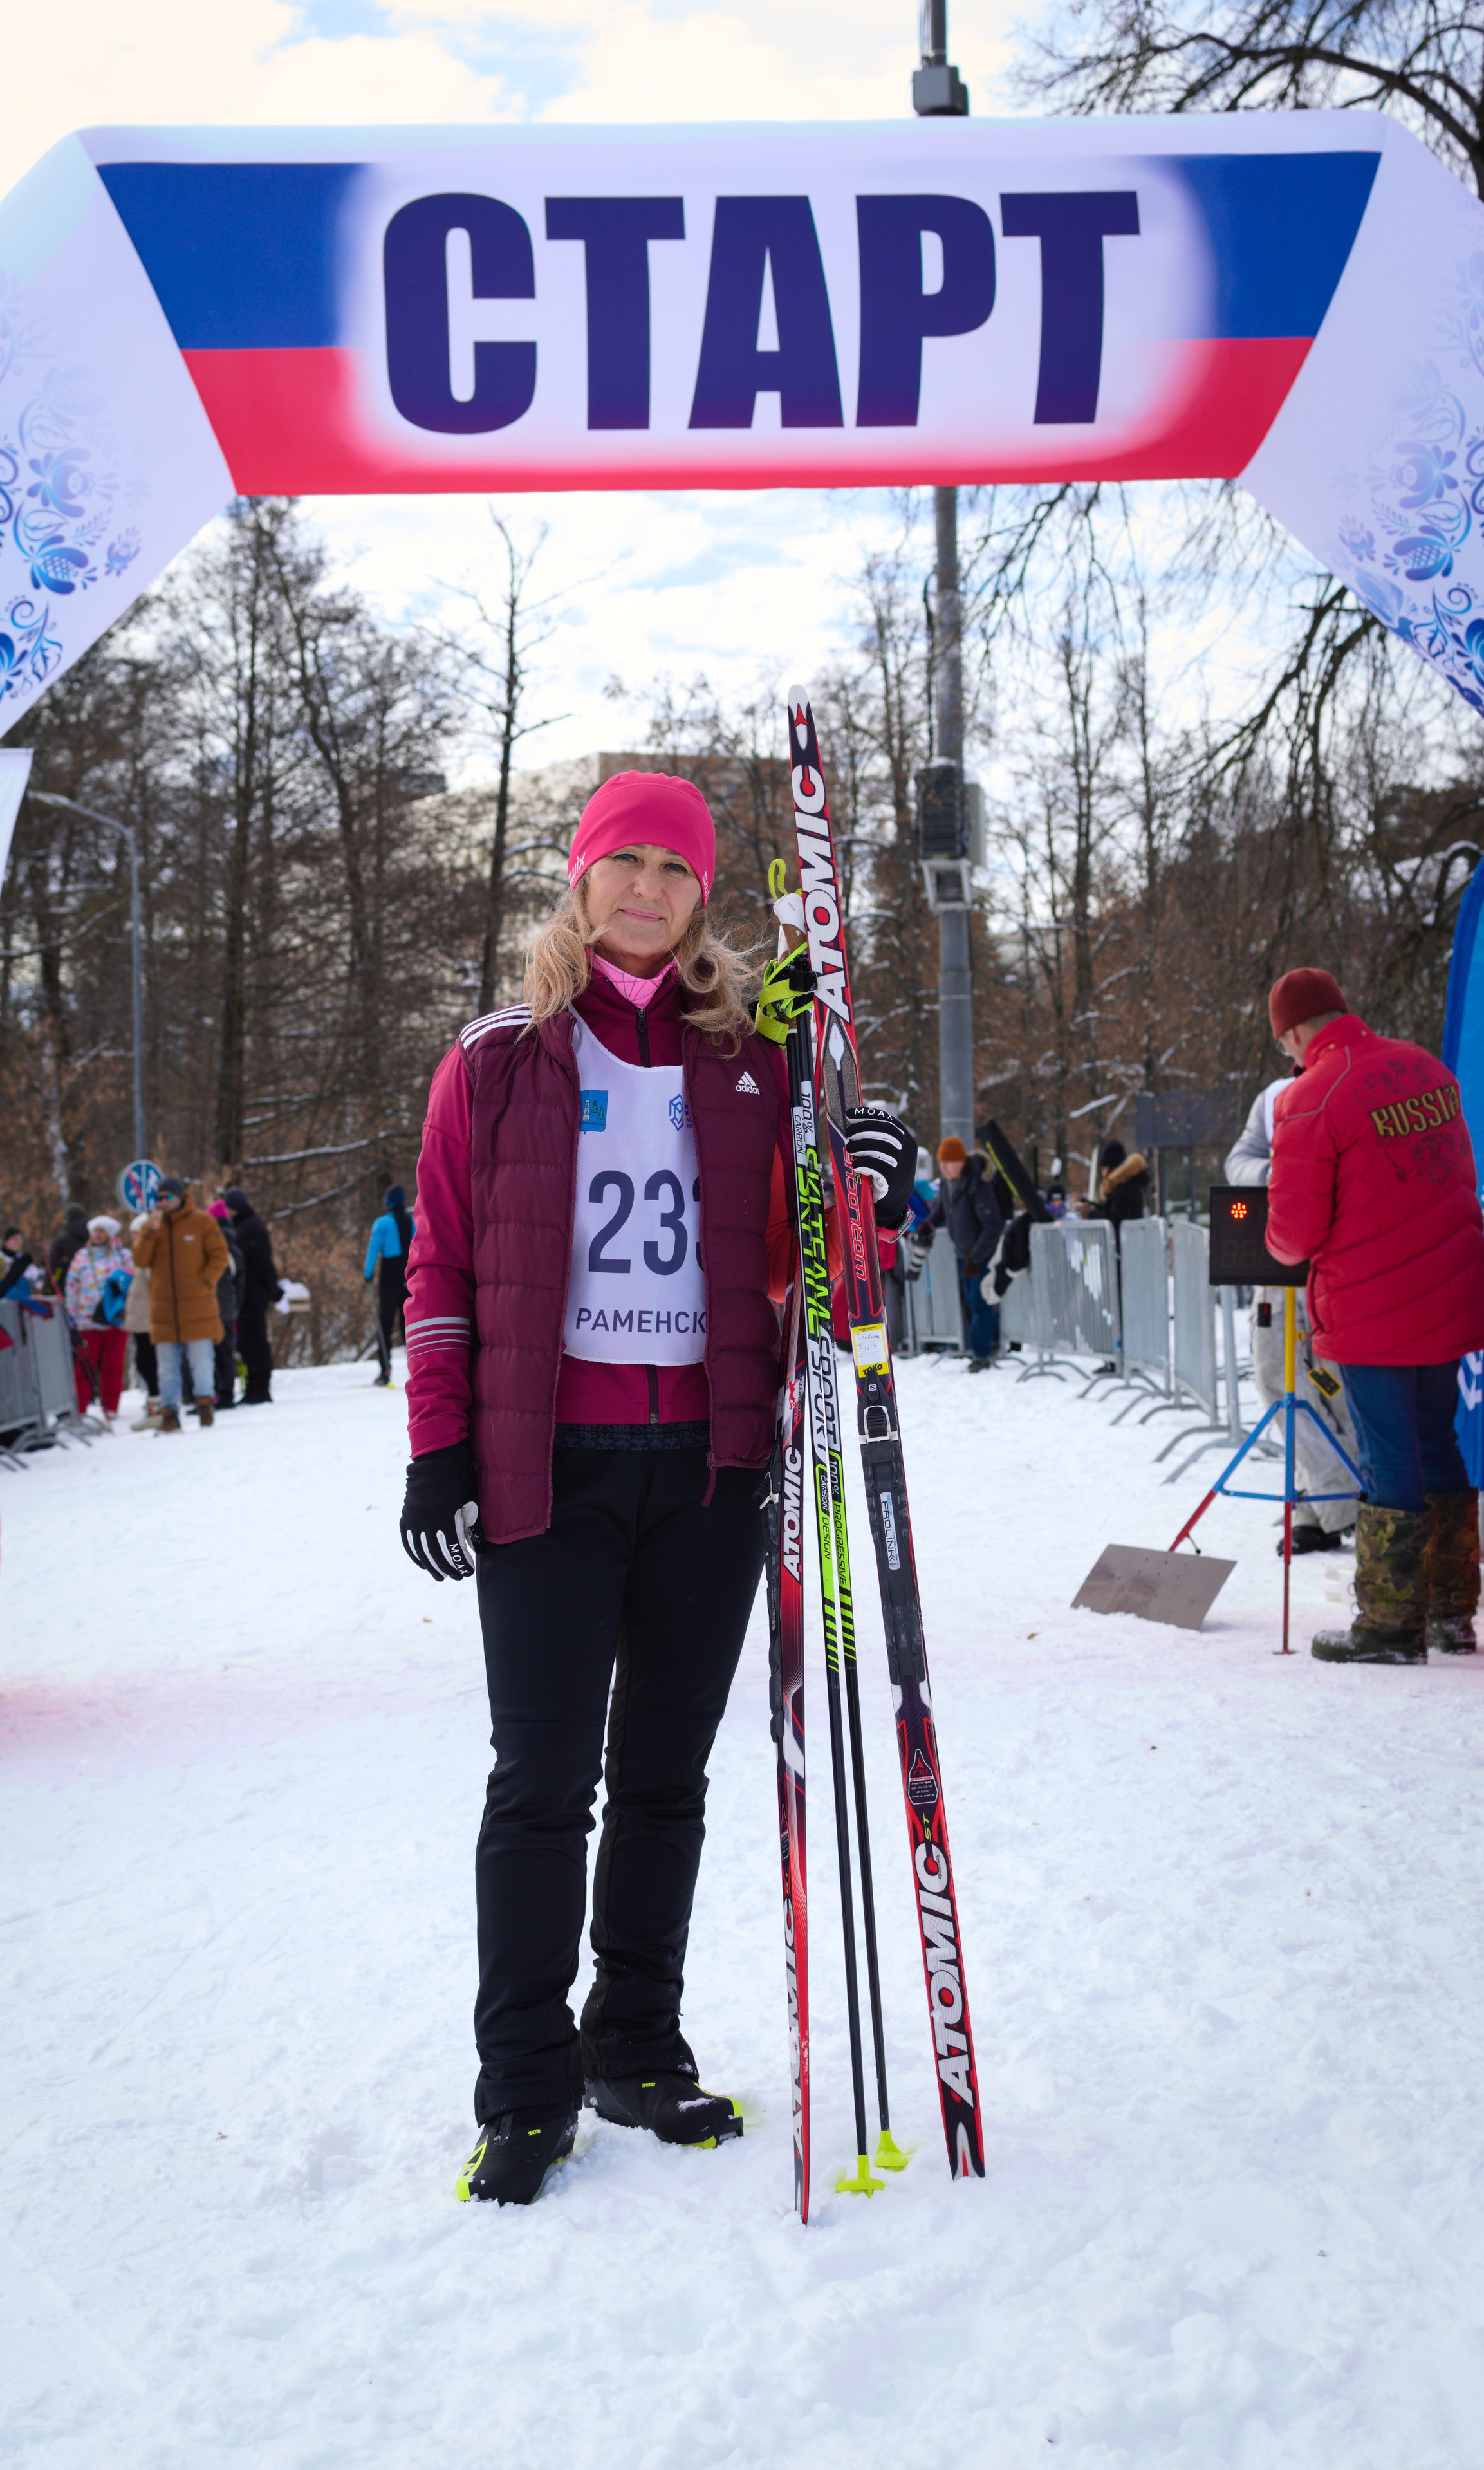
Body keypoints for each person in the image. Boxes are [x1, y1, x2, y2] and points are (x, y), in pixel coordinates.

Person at [398, 770, 914, 2208]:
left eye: (671, 869)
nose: (643, 887)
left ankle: (632, 2039)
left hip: (708, 1463)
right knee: (542, 1779)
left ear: (702, 896)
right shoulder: (493, 1060)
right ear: (577, 881)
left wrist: (869, 1177)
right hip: (545, 1465)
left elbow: (808, 1255)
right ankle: (525, 2084)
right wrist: (436, 1443)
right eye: (618, 861)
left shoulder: (754, 1057)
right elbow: (439, 1267)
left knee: (667, 1777)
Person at [1265, 967, 1484, 1663]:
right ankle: (1453, 1612)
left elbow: (1293, 1236)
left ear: (1295, 1031)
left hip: (1373, 1309)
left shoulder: (1309, 1096)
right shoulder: (1425, 1068)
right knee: (1438, 1443)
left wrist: (1268, 1238)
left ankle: (1390, 1627)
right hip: (1450, 1292)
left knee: (1390, 1455)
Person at [1225, 1075, 1357, 1554]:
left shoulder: (1347, 1085)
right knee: (1276, 1381)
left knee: (1332, 1386)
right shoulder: (1274, 1093)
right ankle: (1334, 1500)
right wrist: (1277, 1174)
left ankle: (1322, 1506)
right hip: (1278, 1255)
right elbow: (1237, 1161)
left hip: (1334, 1262)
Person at [131, 1176, 228, 1434]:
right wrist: (150, 1232)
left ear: (180, 1197)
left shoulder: (202, 1222)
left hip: (198, 1307)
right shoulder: (151, 1226)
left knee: (201, 1362)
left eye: (167, 1198)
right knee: (167, 1368)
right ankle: (170, 1414)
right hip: (163, 1309)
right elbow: (140, 1261)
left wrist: (204, 1283)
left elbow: (219, 1256)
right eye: (158, 1199)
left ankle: (205, 1406)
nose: (163, 1203)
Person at [928, 1135, 1006, 1370]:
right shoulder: (946, 1186)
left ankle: (981, 1354)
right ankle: (991, 1343)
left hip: (982, 1255)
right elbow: (940, 1213)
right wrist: (927, 1225)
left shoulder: (977, 1185)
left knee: (980, 1302)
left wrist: (977, 1256)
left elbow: (994, 1225)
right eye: (940, 1163)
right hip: (963, 1253)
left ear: (960, 1162)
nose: (943, 1167)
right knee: (972, 1302)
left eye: (947, 1163)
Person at [64, 1214, 134, 1416]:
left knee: (114, 1365)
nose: (98, 1235)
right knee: (84, 1366)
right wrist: (72, 1316)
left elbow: (131, 1281)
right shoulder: (82, 1257)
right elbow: (72, 1287)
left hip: (116, 1319)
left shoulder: (122, 1256)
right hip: (87, 1321)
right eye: (95, 1231)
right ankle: (81, 1408)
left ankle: (111, 1407)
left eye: (102, 1231)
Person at [222, 1185, 279, 1405]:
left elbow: (262, 1263)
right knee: (247, 1343)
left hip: (253, 1295)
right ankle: (253, 1387)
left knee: (256, 1341)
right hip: (247, 1294)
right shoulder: (243, 1227)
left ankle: (261, 1387)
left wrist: (271, 1290)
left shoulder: (249, 1228)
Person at [364, 1184, 414, 1385]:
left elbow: (373, 1249)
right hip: (409, 1276)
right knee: (408, 1326)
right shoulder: (414, 1222)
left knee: (384, 1324)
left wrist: (368, 1274)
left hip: (389, 1278)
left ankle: (385, 1372)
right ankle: (416, 1370)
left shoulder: (382, 1223)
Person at [123, 1223, 162, 1431]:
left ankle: (157, 1409)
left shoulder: (149, 1256)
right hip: (140, 1319)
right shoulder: (140, 1257)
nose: (133, 1237)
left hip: (149, 1320)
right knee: (144, 1364)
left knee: (149, 1364)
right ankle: (155, 1406)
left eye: (137, 1233)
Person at [207, 1198, 245, 1410]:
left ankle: (224, 1394)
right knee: (220, 1352)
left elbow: (236, 1277)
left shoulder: (222, 1244)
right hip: (226, 1304)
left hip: (221, 1305)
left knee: (221, 1352)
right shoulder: (231, 1243)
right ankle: (219, 1393)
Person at [1081, 1137, 1149, 1229]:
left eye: (1104, 1168)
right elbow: (1111, 1211)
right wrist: (1088, 1204)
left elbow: (1115, 1223)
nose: (1103, 1173)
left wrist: (1091, 1214)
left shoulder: (1124, 1192)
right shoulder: (1127, 1187)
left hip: (1125, 1242)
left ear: (1111, 1168)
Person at [48, 1207, 91, 1291]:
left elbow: (54, 1271)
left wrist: (48, 1290)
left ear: (66, 1220)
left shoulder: (61, 1243)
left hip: (68, 1293)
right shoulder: (98, 1238)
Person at [0, 1228, 33, 1299]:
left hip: (20, 1305)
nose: (18, 1242)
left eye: (20, 1240)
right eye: (15, 1239)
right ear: (6, 1240)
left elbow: (38, 1282)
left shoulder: (23, 1260)